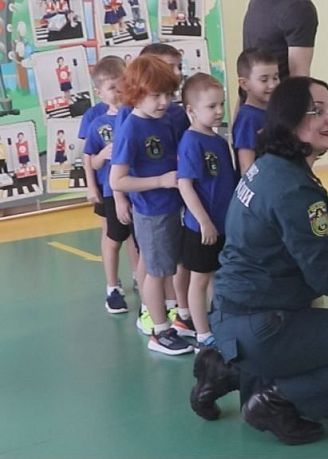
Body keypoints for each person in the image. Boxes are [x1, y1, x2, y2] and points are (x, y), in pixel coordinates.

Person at [190, 77, 328, 445]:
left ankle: (227, 369)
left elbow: (272, 228)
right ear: (288, 121)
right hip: (265, 323)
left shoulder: (267, 166)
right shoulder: (297, 188)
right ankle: (273, 400)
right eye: (315, 111)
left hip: (233, 315)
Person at [109, 55, 192, 355]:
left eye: (168, 95)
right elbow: (118, 179)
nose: (163, 102)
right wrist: (160, 181)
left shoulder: (165, 119)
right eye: (155, 95)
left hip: (173, 205)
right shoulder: (132, 128)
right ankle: (160, 330)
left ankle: (175, 321)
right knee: (156, 273)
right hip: (152, 210)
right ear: (136, 93)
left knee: (169, 267)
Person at [177, 73, 237, 351]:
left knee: (217, 276)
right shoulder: (191, 142)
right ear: (191, 110)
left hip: (223, 224)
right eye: (211, 107)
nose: (219, 111)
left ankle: (217, 322)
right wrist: (204, 222)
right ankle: (201, 332)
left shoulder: (219, 140)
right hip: (202, 227)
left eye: (221, 105)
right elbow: (185, 185)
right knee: (200, 279)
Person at [83, 55, 139, 314]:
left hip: (136, 188)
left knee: (137, 239)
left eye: (121, 86)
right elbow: (90, 160)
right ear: (100, 91)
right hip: (109, 189)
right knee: (114, 236)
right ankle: (112, 287)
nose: (117, 93)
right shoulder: (96, 120)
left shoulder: (134, 112)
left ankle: (141, 278)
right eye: (111, 88)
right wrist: (97, 166)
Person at [242, 0, 317, 80]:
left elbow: (299, 77)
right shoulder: (256, 3)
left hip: (280, 91)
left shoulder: (299, 8)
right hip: (249, 90)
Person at [232, 48, 279, 174]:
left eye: (275, 77)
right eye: (264, 80)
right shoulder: (248, 118)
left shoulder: (274, 112)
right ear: (244, 84)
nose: (272, 85)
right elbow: (246, 166)